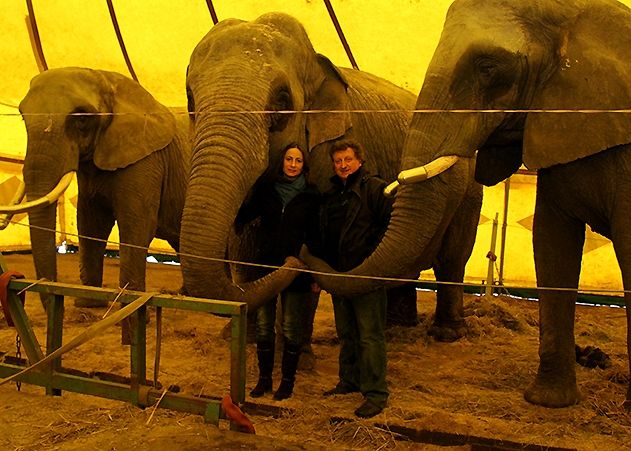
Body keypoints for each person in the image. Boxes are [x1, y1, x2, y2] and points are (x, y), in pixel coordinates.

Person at [314, 139, 393, 418]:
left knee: (370, 335)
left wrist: (373, 261)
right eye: (338, 161)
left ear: (359, 160)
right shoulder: (332, 193)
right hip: (340, 277)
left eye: (347, 160)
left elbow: (389, 228)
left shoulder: (375, 189)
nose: (343, 166)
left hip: (367, 276)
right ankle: (349, 380)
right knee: (347, 333)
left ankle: (375, 393)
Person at [236, 143, 320, 401]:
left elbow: (317, 236)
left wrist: (315, 274)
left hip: (296, 271)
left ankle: (287, 382)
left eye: (297, 160)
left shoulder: (312, 195)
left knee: (291, 327)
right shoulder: (267, 191)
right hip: (266, 269)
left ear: (304, 165)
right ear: (281, 162)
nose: (293, 165)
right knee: (263, 326)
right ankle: (264, 380)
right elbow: (245, 216)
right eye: (288, 159)